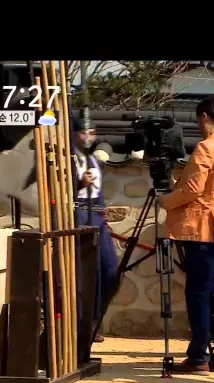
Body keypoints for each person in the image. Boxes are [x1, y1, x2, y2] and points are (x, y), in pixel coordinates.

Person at [159, 96, 214, 373]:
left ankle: (198, 355)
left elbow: (193, 189)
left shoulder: (206, 147)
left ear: (204, 116)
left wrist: (166, 200)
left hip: (201, 226)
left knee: (198, 293)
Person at [72, 118, 119, 343]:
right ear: (74, 134)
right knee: (85, 273)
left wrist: (102, 210)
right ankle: (82, 324)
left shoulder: (92, 158)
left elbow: (98, 193)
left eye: (92, 132)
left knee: (110, 271)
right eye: (84, 132)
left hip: (97, 216)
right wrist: (78, 183)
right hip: (78, 215)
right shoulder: (67, 158)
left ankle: (95, 319)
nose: (88, 137)